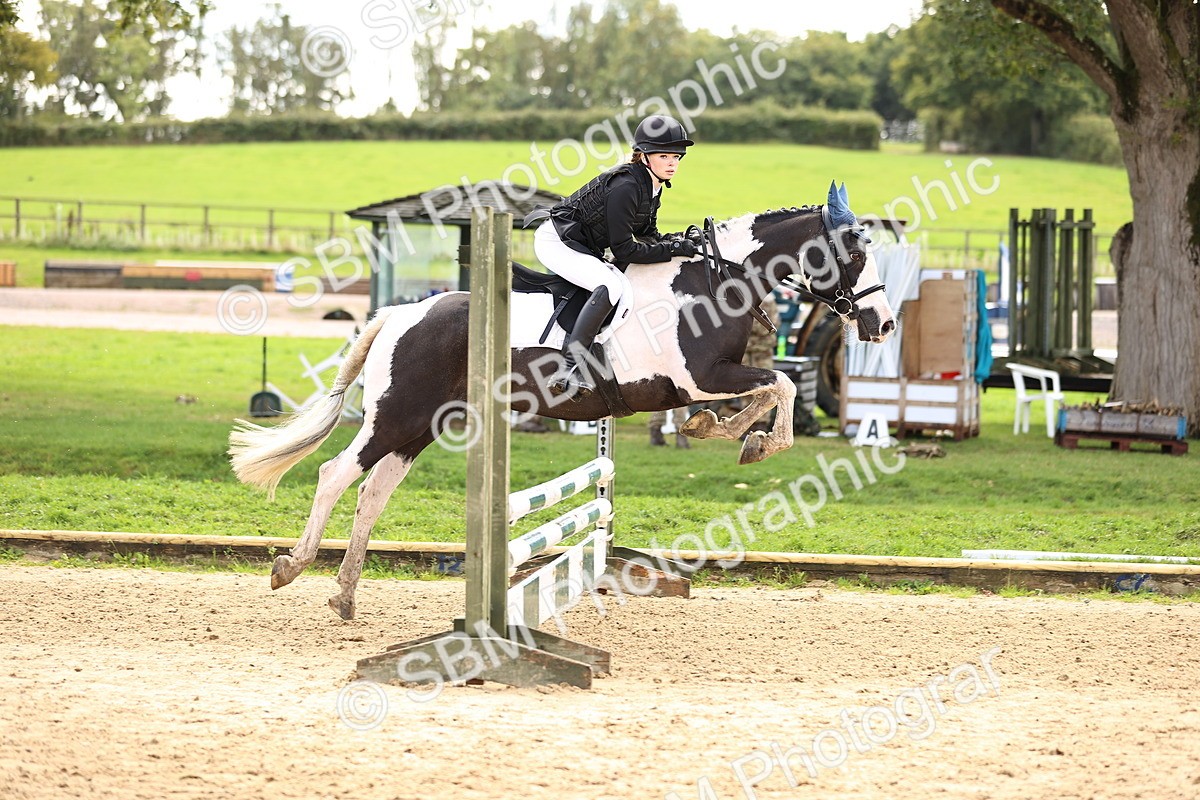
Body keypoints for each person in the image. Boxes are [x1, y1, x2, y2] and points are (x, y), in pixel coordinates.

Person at [525, 114, 701, 398]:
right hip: (556, 241)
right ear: (643, 156)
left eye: (677, 157)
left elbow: (648, 235)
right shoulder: (627, 186)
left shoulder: (652, 186)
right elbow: (624, 250)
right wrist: (673, 249)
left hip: (580, 244)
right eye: (665, 156)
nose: (672, 163)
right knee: (611, 285)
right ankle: (569, 366)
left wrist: (680, 242)